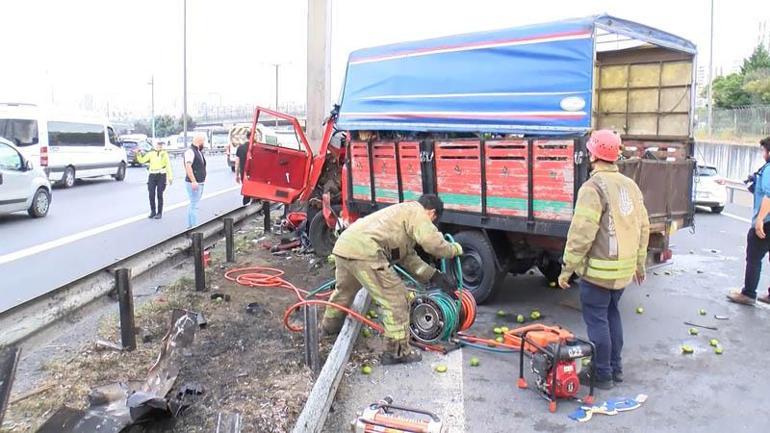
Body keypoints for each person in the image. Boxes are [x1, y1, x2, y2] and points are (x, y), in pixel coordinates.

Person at [320, 194, 464, 365]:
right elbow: (431, 242)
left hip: (345, 247)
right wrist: (453, 249)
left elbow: (409, 259)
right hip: (366, 252)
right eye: (432, 222)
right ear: (432, 213)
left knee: (344, 292)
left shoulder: (401, 217)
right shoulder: (417, 211)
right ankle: (396, 352)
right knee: (397, 300)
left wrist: (434, 276)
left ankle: (329, 328)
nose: (431, 225)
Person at [558, 129, 649, 390]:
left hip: (598, 272)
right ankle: (616, 368)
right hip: (622, 274)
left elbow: (581, 234)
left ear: (593, 154)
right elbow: (643, 227)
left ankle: (602, 374)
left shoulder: (593, 187)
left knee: (597, 320)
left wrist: (567, 270)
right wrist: (639, 265)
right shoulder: (630, 185)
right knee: (612, 316)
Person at [727, 136, 770, 305]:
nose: (762, 153)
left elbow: (768, 196)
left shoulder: (768, 169)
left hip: (766, 222)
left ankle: (748, 293)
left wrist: (760, 220)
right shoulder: (764, 170)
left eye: (763, 150)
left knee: (754, 257)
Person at [136, 141, 173, 219]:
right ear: (154, 145)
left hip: (161, 175)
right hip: (152, 175)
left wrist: (170, 177)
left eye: (160, 145)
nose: (159, 146)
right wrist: (138, 154)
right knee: (151, 194)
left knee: (160, 194)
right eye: (158, 145)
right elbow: (142, 160)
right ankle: (153, 211)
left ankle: (159, 213)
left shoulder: (164, 154)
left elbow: (168, 165)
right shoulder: (151, 153)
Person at [184, 134, 207, 228]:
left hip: (199, 182)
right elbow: (188, 166)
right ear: (199, 141)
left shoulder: (198, 151)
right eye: (203, 141)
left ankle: (190, 226)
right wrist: (193, 181)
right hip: (194, 182)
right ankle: (194, 227)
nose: (204, 143)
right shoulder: (190, 151)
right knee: (194, 205)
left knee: (193, 204)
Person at [235, 128, 259, 205]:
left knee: (247, 193)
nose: (257, 137)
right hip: (255, 175)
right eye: (256, 136)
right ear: (253, 136)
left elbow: (237, 163)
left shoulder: (240, 148)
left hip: (244, 175)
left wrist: (237, 175)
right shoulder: (257, 148)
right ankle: (262, 214)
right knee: (257, 193)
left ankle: (245, 208)